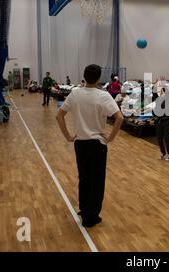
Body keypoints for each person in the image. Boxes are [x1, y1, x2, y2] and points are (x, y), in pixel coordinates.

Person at [55, 64, 124, 228]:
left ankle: (84, 210)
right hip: (97, 144)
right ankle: (91, 217)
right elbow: (119, 118)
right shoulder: (104, 96)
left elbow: (59, 116)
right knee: (97, 181)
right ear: (99, 78)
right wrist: (110, 138)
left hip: (80, 144)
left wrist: (67, 136)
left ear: (84, 77)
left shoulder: (75, 93)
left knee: (84, 178)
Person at [153, 87, 169, 160]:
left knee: (167, 138)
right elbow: (154, 94)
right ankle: (163, 153)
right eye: (160, 91)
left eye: (162, 91)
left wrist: (163, 84)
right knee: (159, 138)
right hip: (159, 121)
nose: (160, 92)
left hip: (166, 121)